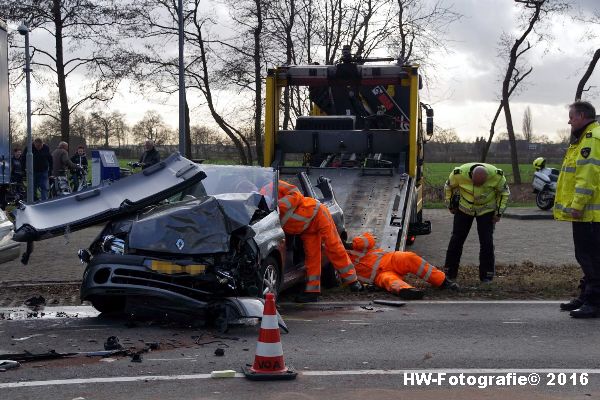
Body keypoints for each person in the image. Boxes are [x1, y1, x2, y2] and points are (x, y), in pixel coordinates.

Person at [274, 180, 363, 302]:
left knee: (334, 246)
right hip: (305, 228)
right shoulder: (257, 197)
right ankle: (312, 292)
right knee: (312, 258)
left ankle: (353, 281)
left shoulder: (274, 184)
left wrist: (277, 206)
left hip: (316, 213)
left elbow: (295, 193)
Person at [554, 100, 600, 319]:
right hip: (589, 213)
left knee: (591, 258)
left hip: (590, 213)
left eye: (571, 117)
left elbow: (588, 176)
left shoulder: (591, 139)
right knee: (586, 257)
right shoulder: (584, 138)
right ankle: (586, 296)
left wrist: (578, 205)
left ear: (582, 116)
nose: (569, 121)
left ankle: (595, 302)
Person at [443, 162, 510, 282]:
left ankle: (487, 275)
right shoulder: (458, 173)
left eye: (481, 184)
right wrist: (450, 205)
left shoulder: (497, 176)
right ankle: (449, 272)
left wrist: (499, 212)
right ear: (470, 176)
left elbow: (504, 193)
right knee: (456, 240)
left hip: (486, 210)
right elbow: (448, 187)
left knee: (487, 242)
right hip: (464, 209)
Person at [346, 232, 459, 299]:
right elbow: (350, 280)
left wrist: (351, 244)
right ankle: (408, 291)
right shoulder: (340, 264)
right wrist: (365, 286)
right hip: (378, 276)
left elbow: (370, 240)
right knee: (389, 281)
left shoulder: (354, 245)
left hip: (390, 259)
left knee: (409, 258)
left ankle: (443, 281)